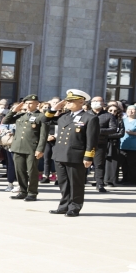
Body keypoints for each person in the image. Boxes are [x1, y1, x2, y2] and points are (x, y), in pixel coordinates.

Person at [43, 89, 100, 217]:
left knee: (76, 183)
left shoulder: (90, 118)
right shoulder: (64, 116)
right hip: (60, 154)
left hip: (76, 155)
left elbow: (92, 140)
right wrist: (54, 108)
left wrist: (88, 157)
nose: (67, 103)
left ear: (81, 102)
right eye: (67, 101)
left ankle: (75, 206)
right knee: (63, 182)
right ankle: (64, 205)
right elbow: (45, 120)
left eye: (71, 101)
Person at [2, 94, 48, 201]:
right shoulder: (21, 115)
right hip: (18, 147)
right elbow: (5, 121)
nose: (28, 105)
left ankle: (32, 193)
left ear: (37, 104)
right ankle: (23, 191)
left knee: (32, 171)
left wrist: (40, 149)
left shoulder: (41, 116)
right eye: (26, 103)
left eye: (31, 103)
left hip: (32, 148)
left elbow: (43, 135)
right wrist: (14, 110)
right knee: (19, 170)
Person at [88, 96, 118, 192]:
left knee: (99, 164)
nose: (96, 103)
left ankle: (100, 184)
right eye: (94, 101)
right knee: (81, 163)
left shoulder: (108, 115)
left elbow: (113, 129)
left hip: (100, 143)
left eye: (98, 101)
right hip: (84, 143)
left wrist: (98, 131)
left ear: (103, 103)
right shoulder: (85, 114)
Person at [104, 104, 126, 186]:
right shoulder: (104, 119)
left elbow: (121, 133)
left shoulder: (119, 120)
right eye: (110, 110)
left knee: (113, 162)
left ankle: (111, 180)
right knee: (102, 161)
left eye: (115, 111)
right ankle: (101, 180)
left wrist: (107, 135)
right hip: (104, 143)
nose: (112, 112)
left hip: (114, 143)